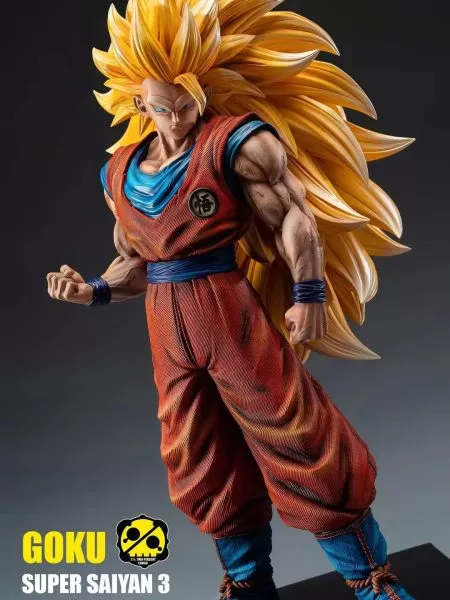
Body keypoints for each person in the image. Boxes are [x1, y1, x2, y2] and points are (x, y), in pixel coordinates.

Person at [46, 1, 416, 599]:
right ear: (140, 105)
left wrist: (309, 292)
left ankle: (372, 579)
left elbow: (294, 216)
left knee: (298, 437)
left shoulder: (237, 143)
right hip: (166, 325)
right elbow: (136, 264)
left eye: (186, 103)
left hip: (228, 311)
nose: (176, 118)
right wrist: (92, 290)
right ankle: (247, 583)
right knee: (199, 458)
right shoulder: (120, 174)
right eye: (162, 106)